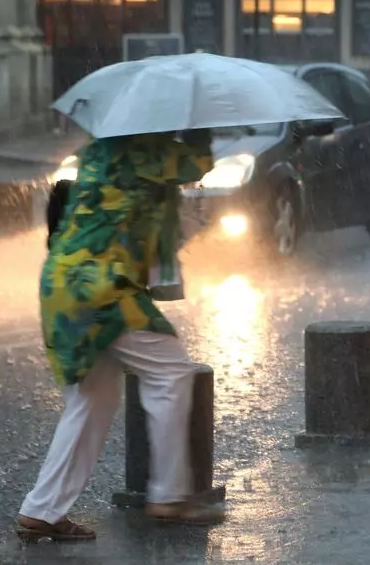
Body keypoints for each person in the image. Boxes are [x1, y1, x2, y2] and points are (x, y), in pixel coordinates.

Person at [17, 129, 224, 541]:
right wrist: (202, 131)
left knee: (92, 398)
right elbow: (196, 165)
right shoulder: (145, 152)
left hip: (64, 284)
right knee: (171, 373)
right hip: (102, 289)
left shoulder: (100, 151)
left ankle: (41, 510)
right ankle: (168, 495)